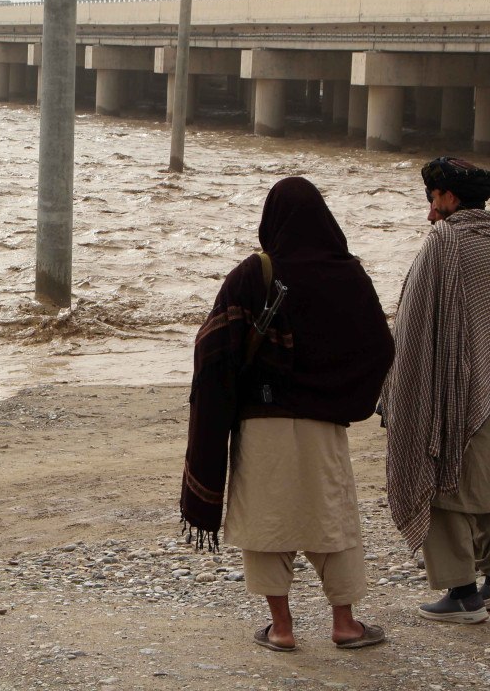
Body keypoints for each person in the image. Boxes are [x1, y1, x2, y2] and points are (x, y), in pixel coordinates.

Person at [180, 177, 394, 652]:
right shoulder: (348, 274)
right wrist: (345, 398)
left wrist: (231, 401)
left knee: (267, 523)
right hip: (323, 425)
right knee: (331, 520)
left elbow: (213, 351)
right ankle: (345, 624)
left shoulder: (253, 274)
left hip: (263, 422)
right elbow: (380, 347)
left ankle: (282, 628)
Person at [382, 157, 490, 624]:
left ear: (449, 197)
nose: (430, 213)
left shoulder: (446, 242)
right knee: (489, 475)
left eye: (432, 200)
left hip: (452, 384)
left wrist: (399, 387)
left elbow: (415, 321)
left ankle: (463, 592)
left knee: (440, 474)